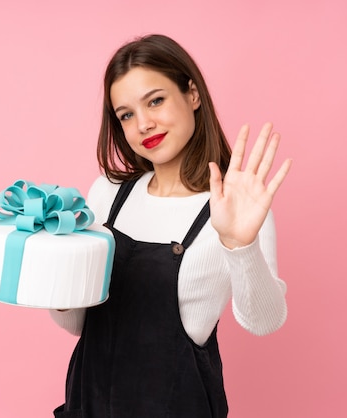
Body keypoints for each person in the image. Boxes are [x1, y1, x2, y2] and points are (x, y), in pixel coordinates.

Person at [50, 34, 291, 418]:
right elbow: (78, 323)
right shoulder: (107, 195)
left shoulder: (236, 208)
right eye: (126, 114)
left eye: (156, 100)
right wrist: (53, 273)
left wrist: (239, 245)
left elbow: (264, 322)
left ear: (192, 94)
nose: (144, 124)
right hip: (87, 406)